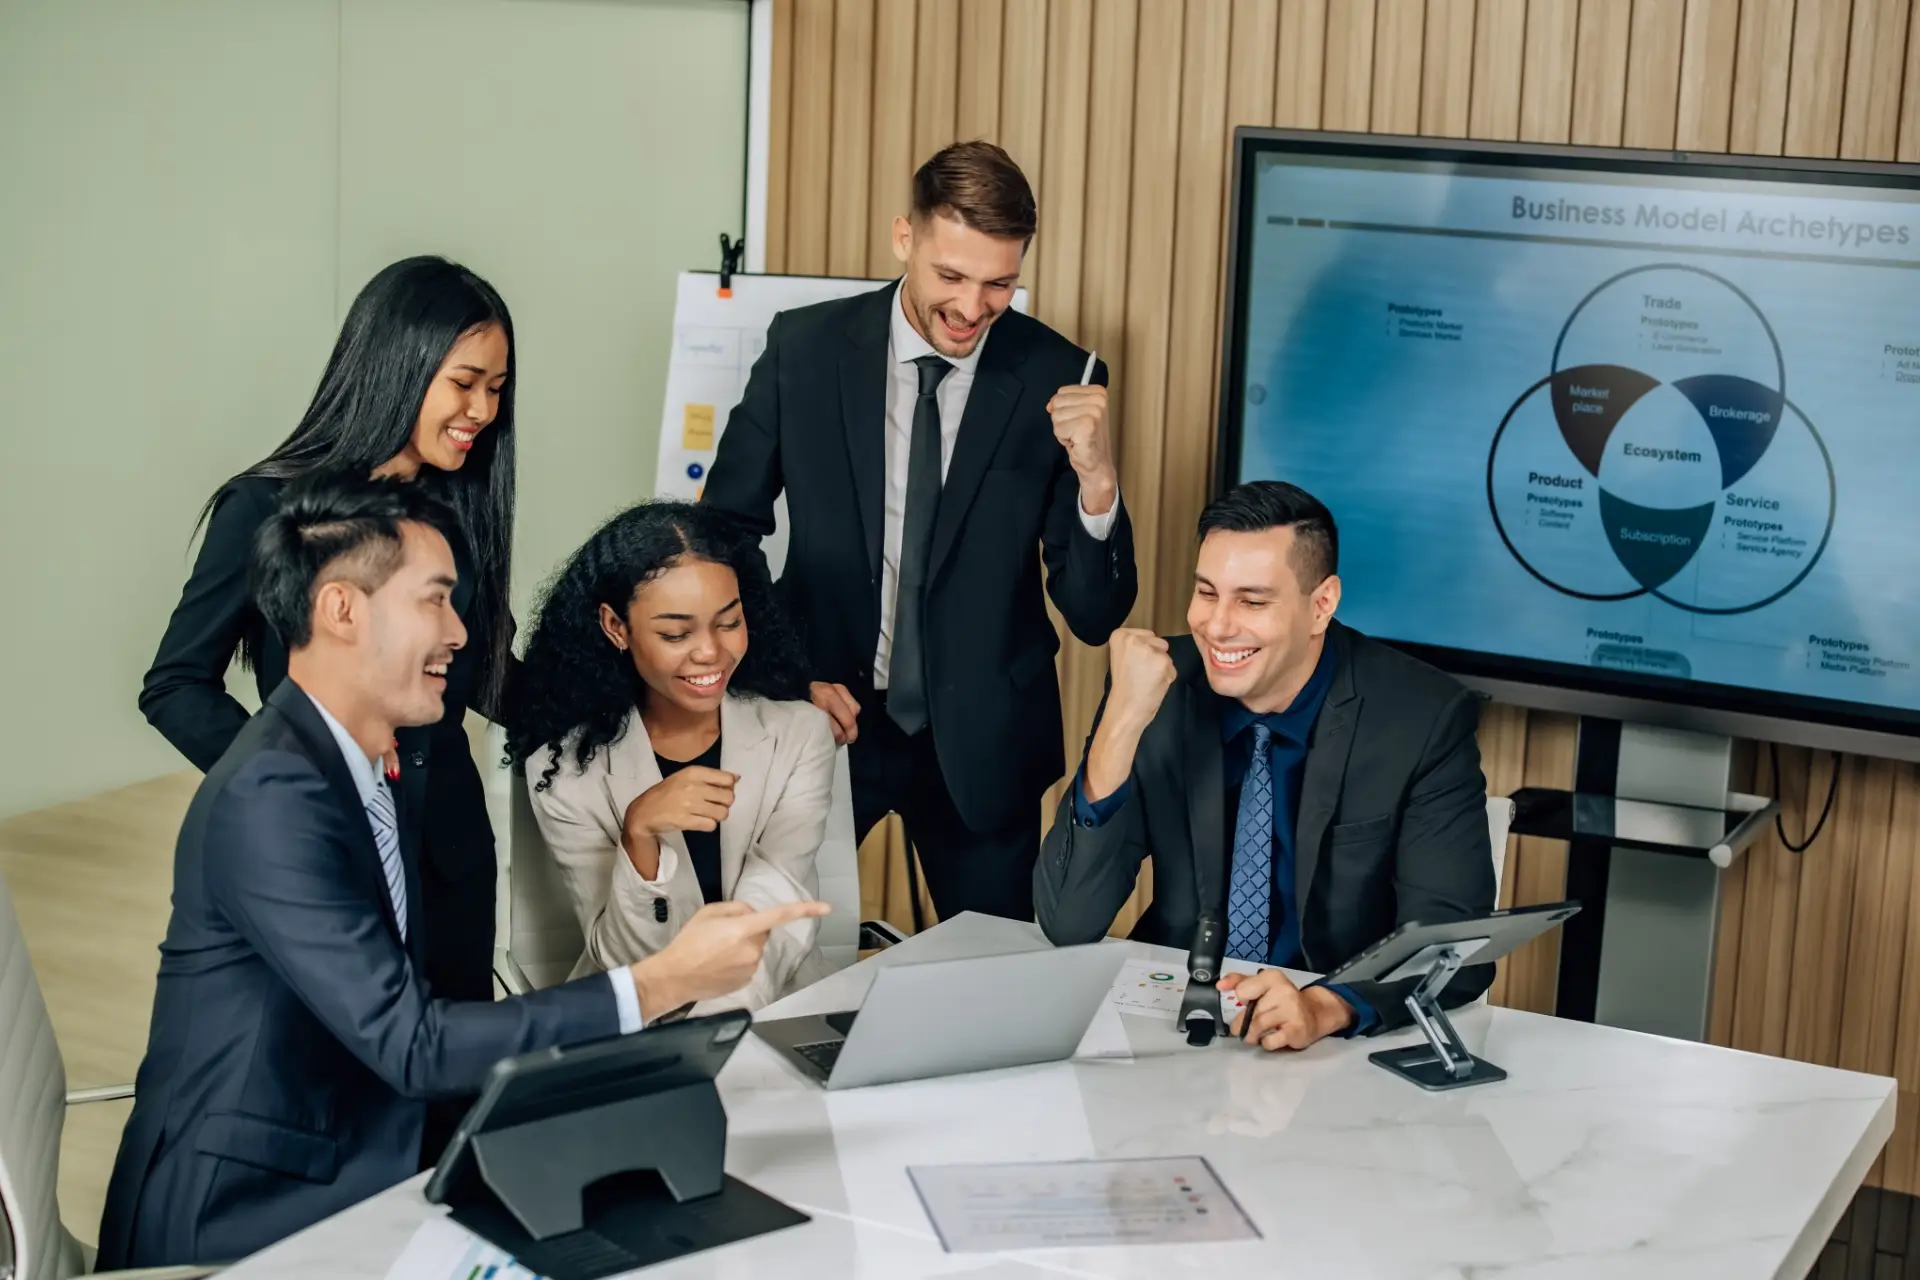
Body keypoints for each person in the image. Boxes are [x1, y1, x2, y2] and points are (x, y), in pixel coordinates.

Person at [97, 478, 827, 1268]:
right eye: (436, 601)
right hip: (255, 1210)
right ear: (342, 610)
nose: (459, 633)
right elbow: (413, 1043)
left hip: (372, 1148)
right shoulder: (272, 796)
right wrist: (659, 982)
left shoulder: (362, 764)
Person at [703, 141, 1137, 924]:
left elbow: (1095, 615)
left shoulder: (1062, 376)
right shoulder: (805, 349)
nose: (972, 308)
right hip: (822, 712)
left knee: (994, 972)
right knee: (775, 949)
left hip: (984, 740)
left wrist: (1099, 481)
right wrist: (783, 671)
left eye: (999, 283)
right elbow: (723, 531)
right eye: (952, 276)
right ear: (905, 238)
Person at [141, 256, 518, 1015]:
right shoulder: (265, 508)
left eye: (497, 388)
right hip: (326, 848)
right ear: (400, 366)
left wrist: (638, 692)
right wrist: (297, 783)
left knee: (459, 1066)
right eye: (465, 382)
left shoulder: (458, 507)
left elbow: (483, 676)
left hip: (449, 855)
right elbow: (176, 685)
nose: (482, 410)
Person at [1034, 481, 1495, 1051]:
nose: (1218, 626)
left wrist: (1326, 1006)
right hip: (1172, 1018)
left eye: (1252, 602)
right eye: (1207, 593)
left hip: (1334, 1044)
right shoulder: (1158, 687)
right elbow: (1068, 921)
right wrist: (1120, 722)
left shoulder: (1421, 716)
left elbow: (1454, 948)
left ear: (1321, 605)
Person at [510, 502, 835, 1010]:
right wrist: (638, 835)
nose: (710, 652)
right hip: (639, 1023)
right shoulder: (564, 772)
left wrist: (712, 1028)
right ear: (616, 627)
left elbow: (775, 909)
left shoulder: (799, 734)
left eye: (729, 622)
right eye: (676, 634)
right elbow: (622, 960)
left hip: (772, 1008)